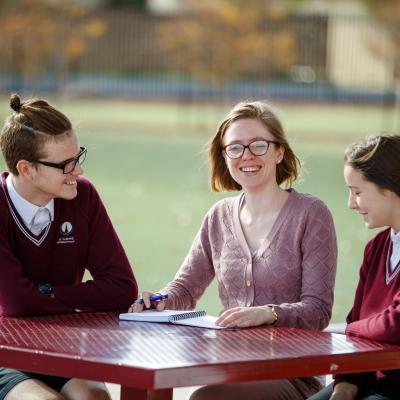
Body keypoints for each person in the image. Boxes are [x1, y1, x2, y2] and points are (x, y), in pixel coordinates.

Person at [131, 100, 337, 400]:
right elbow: (186, 289)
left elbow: (318, 310)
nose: (247, 156)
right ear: (225, 155)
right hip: (228, 365)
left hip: (291, 374)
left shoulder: (311, 213)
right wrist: (160, 300)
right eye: (236, 147)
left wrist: (267, 314)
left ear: (279, 151)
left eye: (258, 145)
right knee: (151, 389)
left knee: (205, 399)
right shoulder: (219, 216)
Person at [0, 94, 138, 400]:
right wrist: (77, 299)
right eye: (66, 164)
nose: (79, 172)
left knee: (95, 397)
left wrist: (48, 292)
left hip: (58, 346)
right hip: (3, 351)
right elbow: (17, 305)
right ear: (26, 169)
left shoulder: (83, 196)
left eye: (78, 157)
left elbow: (121, 288)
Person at [308, 133, 400, 400]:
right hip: (367, 381)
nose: (350, 204)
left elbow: (394, 324)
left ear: (391, 187)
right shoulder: (377, 247)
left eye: (357, 192)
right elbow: (357, 321)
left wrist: (350, 329)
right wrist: (346, 383)